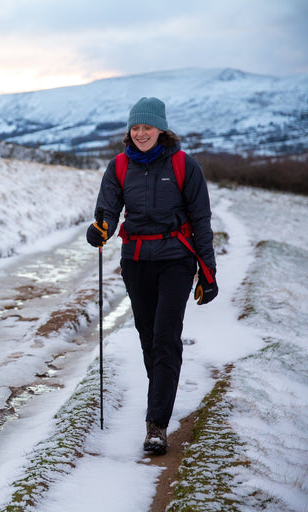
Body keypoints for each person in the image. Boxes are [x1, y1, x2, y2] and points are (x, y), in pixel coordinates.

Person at [86, 97, 218, 455]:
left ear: (161, 129)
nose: (141, 133)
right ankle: (161, 390)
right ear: (130, 131)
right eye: (136, 127)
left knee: (165, 336)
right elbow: (108, 211)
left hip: (176, 259)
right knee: (148, 337)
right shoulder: (118, 166)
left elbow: (201, 221)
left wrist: (208, 272)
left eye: (148, 127)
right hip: (137, 260)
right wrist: (101, 229)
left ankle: (156, 424)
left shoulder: (184, 165)